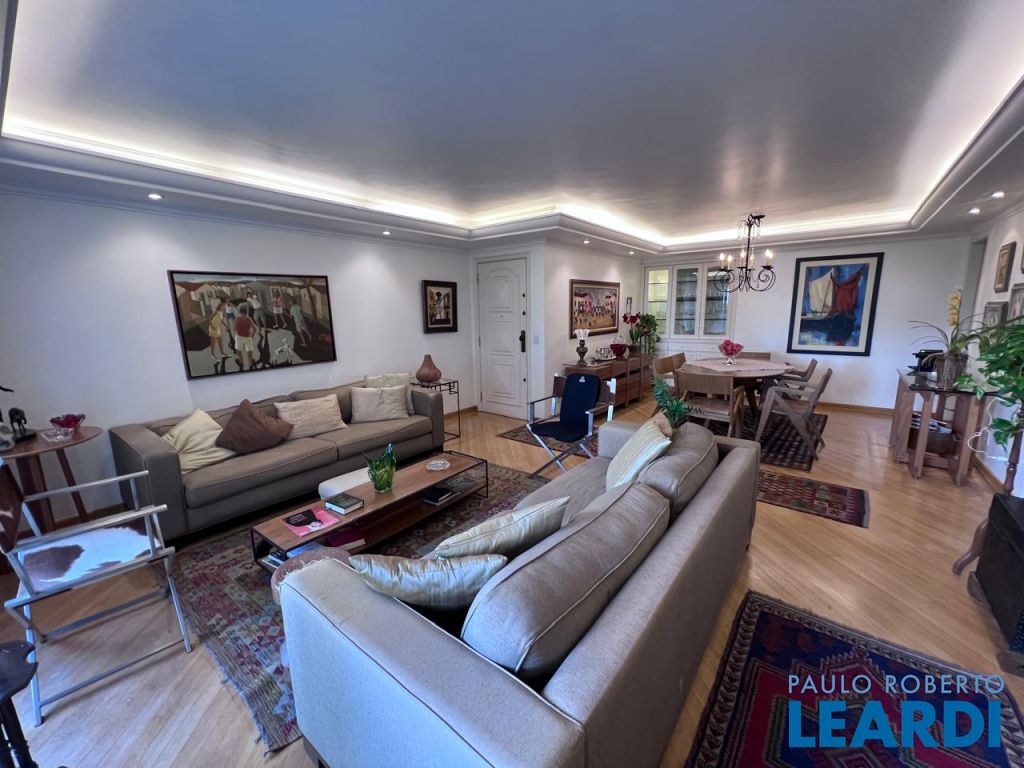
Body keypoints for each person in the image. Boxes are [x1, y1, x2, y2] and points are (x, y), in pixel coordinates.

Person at [233, 304, 256, 370]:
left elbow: (234, 329)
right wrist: (252, 336)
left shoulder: (237, 319)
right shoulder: (249, 319)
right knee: (249, 351)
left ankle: (241, 362)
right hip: (248, 336)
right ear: (247, 311)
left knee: (238, 350)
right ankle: (250, 364)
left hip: (239, 336)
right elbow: (255, 329)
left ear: (240, 311)